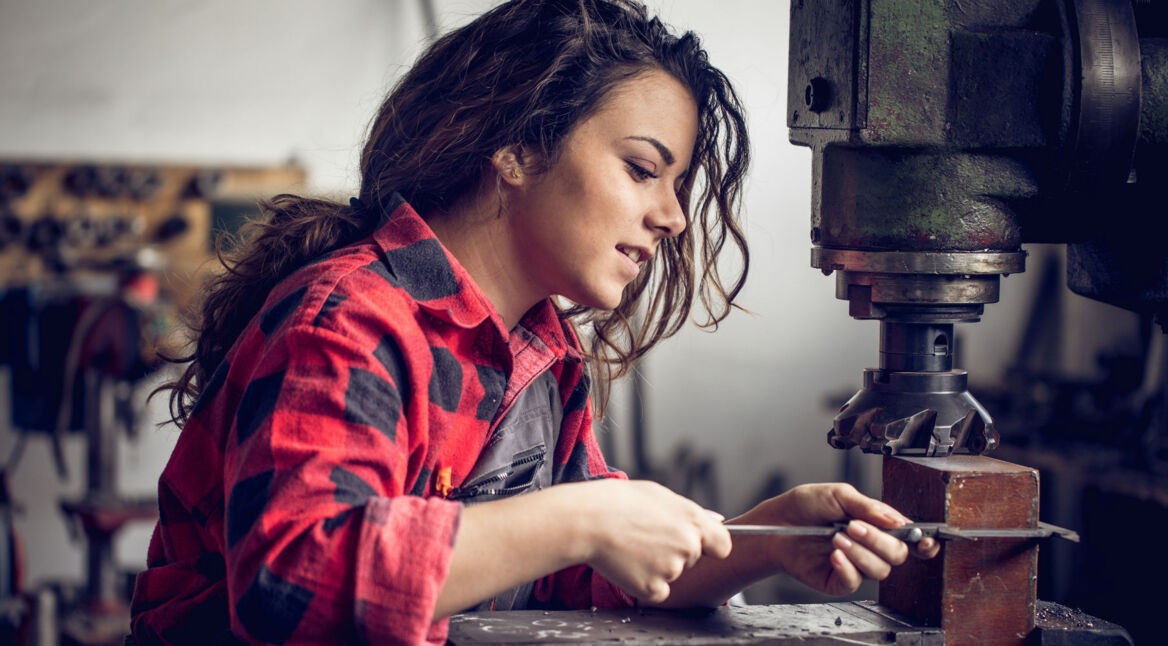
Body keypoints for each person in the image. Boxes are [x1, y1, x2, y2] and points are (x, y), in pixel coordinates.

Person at [129, 1, 939, 643]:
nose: (673, 217)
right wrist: (577, 518)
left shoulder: (539, 357)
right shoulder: (349, 322)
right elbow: (290, 585)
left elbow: (573, 573)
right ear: (515, 149)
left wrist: (767, 540)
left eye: (678, 184)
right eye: (642, 168)